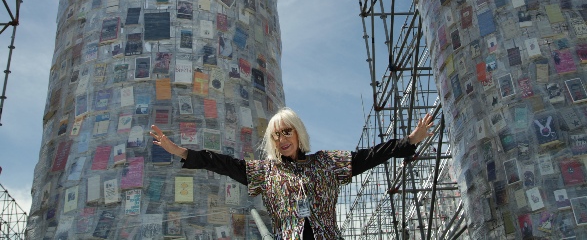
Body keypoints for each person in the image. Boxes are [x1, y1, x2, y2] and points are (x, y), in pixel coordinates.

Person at [150, 107, 434, 239]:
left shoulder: (326, 163)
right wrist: (181, 152)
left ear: (298, 133)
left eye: (287, 132)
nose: (282, 139)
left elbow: (368, 156)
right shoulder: (265, 172)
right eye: (276, 135)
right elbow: (222, 163)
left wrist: (408, 141)